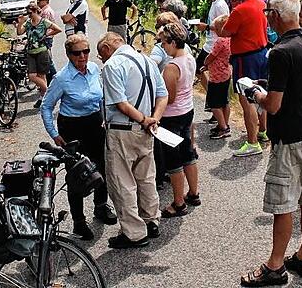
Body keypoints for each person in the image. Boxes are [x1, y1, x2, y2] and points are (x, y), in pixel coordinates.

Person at [240, 0, 302, 287]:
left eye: (269, 15)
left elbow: (274, 105)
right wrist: (271, 87)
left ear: (275, 16)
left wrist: (255, 93)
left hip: (291, 136)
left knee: (284, 202)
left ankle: (275, 266)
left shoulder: (279, 52)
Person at [40, 34, 118, 240]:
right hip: (72, 128)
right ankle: (79, 222)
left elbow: (102, 96)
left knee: (101, 167)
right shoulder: (61, 79)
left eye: (86, 51)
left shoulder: (94, 69)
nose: (82, 56)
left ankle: (101, 206)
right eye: (77, 53)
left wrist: (106, 118)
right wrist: (54, 135)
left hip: (95, 124)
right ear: (68, 55)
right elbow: (46, 107)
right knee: (78, 175)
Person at [98, 32, 168, 249]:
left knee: (122, 181)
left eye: (102, 55)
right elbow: (162, 94)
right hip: (147, 131)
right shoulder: (147, 60)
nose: (103, 60)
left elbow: (120, 103)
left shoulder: (113, 65)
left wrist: (144, 119)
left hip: (122, 130)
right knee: (146, 177)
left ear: (108, 48)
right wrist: (154, 119)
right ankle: (151, 220)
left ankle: (134, 233)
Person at [220, 0, 269, 157]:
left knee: (247, 99)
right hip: (261, 54)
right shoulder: (261, 3)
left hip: (244, 58)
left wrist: (232, 8)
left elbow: (225, 32)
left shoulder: (240, 10)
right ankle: (263, 130)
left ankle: (252, 142)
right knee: (261, 93)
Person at [156, 23, 199, 218]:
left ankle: (178, 202)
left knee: (173, 161)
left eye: (164, 43)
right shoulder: (189, 58)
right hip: (187, 111)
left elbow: (169, 98)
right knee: (188, 152)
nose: (163, 46)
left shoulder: (171, 68)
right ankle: (193, 192)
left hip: (171, 117)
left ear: (173, 42)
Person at [18, 2, 62, 108]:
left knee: (42, 76)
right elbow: (20, 32)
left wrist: (47, 34)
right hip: (31, 52)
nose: (29, 15)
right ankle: (48, 93)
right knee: (32, 75)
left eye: (30, 13)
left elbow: (58, 29)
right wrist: (20, 23)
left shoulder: (43, 22)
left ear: (35, 11)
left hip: (41, 51)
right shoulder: (28, 23)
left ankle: (43, 98)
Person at [194, 0, 230, 94]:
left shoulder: (220, 5)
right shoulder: (215, 3)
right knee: (202, 69)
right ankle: (212, 96)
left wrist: (207, 27)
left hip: (214, 45)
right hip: (211, 43)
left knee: (199, 68)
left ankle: (212, 96)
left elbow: (224, 26)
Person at [202, 15, 232, 139]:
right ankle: (224, 123)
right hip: (226, 73)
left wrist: (205, 63)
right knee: (225, 101)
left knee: (214, 104)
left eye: (217, 28)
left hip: (217, 77)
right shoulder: (231, 40)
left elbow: (212, 56)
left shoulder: (220, 41)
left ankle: (223, 128)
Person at [37, 0, 58, 83]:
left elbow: (43, 27)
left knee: (47, 61)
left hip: (45, 38)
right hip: (46, 38)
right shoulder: (43, 11)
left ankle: (55, 79)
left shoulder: (46, 12)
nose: (38, 1)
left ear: (46, 1)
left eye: (40, 0)